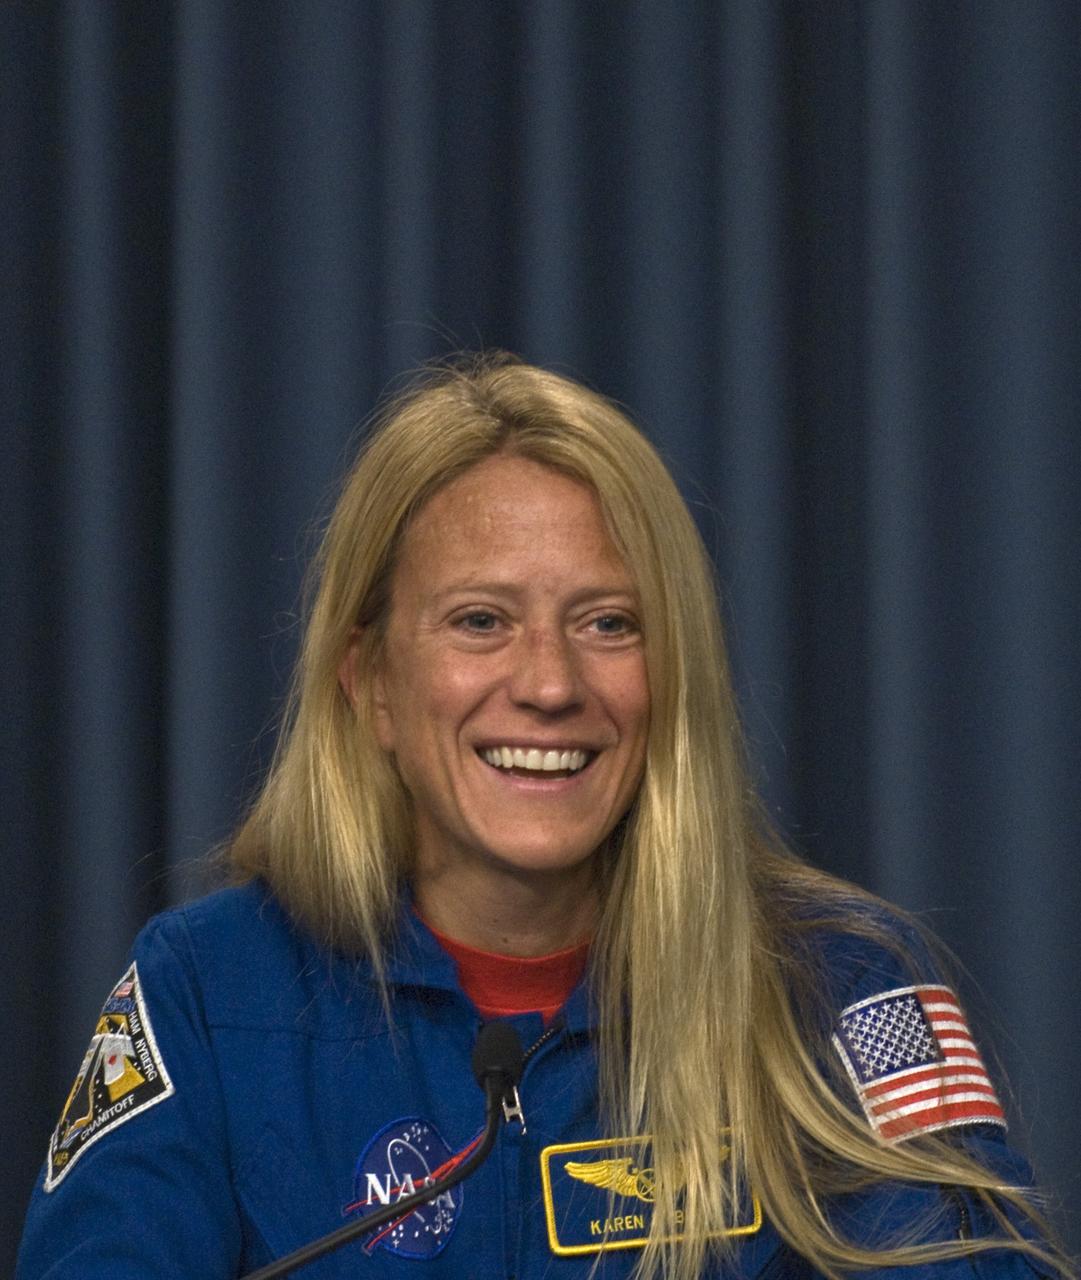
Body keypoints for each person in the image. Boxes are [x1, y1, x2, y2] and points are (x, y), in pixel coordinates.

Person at [18, 355, 1066, 1279]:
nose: (551, 684)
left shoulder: (844, 985)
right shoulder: (206, 991)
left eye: (608, 623)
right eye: (480, 620)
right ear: (370, 682)